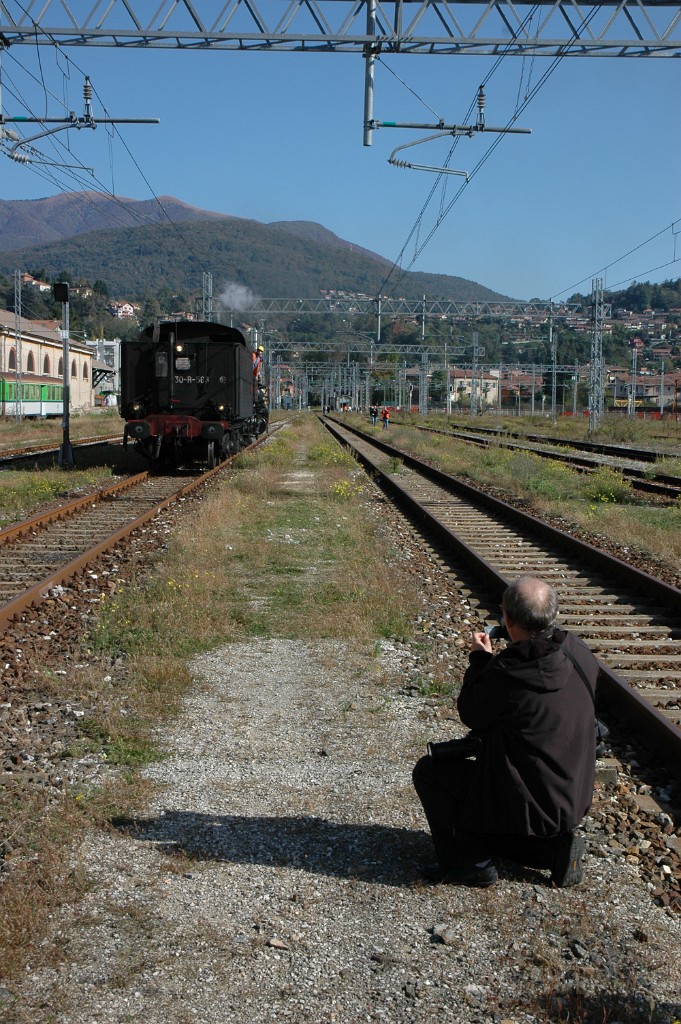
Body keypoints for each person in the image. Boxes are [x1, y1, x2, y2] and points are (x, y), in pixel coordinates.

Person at [412, 575, 599, 888]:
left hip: (530, 801)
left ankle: (469, 864)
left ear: (508, 620)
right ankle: (555, 850)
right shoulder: (577, 651)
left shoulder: (509, 672)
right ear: (552, 616)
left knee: (431, 772)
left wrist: (479, 660)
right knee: (508, 791)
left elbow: (472, 712)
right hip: (571, 794)